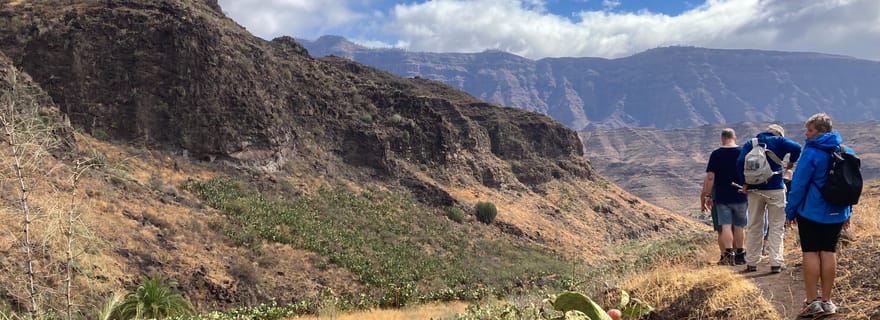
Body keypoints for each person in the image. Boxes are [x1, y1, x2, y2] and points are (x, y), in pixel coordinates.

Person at [785, 113, 852, 317]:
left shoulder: (811, 152)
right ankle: (828, 301)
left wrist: (791, 210)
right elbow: (850, 185)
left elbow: (799, 185)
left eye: (810, 130)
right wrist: (848, 211)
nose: (806, 134)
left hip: (811, 212)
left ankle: (812, 302)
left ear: (820, 131)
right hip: (837, 211)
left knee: (811, 252)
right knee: (829, 252)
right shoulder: (845, 151)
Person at [737, 124, 801, 273]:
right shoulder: (779, 141)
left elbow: (740, 162)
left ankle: (752, 262)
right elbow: (797, 147)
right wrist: (791, 162)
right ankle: (776, 262)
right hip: (776, 189)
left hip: (754, 190)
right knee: (777, 226)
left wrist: (744, 182)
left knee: (754, 225)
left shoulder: (750, 143)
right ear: (778, 133)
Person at [701, 128, 748, 265]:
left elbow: (710, 177)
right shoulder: (742, 153)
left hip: (722, 196)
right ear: (735, 137)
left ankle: (728, 255)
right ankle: (740, 254)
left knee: (726, 226)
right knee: (739, 226)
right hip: (740, 194)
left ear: (722, 138)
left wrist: (708, 195)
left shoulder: (716, 154)